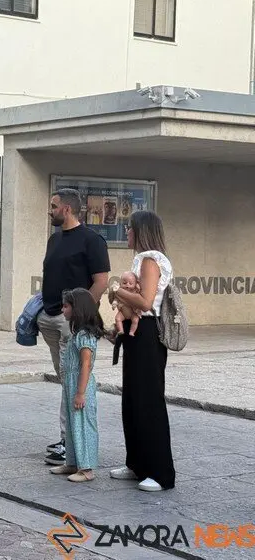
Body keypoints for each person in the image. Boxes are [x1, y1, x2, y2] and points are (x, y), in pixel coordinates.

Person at [39, 188, 109, 466]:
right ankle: (69, 438)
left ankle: (70, 443)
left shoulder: (92, 240)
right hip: (50, 318)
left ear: (67, 209)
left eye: (53, 206)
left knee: (72, 379)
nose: (50, 210)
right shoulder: (54, 240)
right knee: (64, 380)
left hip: (73, 324)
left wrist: (80, 315)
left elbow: (101, 280)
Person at [108, 211, 175, 492]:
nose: (127, 232)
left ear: (141, 230)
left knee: (148, 402)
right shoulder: (142, 258)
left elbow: (146, 302)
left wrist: (116, 290)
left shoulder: (150, 259)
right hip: (136, 335)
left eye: (129, 228)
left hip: (147, 333)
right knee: (132, 401)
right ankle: (136, 463)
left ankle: (160, 472)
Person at [49, 288, 102, 483]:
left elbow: (86, 364)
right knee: (72, 425)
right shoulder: (77, 333)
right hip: (72, 384)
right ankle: (72, 462)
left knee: (82, 425)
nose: (63, 310)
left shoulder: (84, 335)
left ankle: (86, 468)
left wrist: (80, 393)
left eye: (66, 306)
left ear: (77, 308)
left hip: (81, 385)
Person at [112, 271, 142, 336]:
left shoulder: (135, 292)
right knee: (117, 318)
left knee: (135, 320)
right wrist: (114, 303)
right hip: (123, 312)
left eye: (130, 283)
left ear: (135, 284)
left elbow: (138, 298)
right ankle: (120, 330)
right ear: (120, 283)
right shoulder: (119, 291)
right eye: (124, 283)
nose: (127, 285)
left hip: (132, 313)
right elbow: (116, 299)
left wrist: (138, 287)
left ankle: (132, 331)